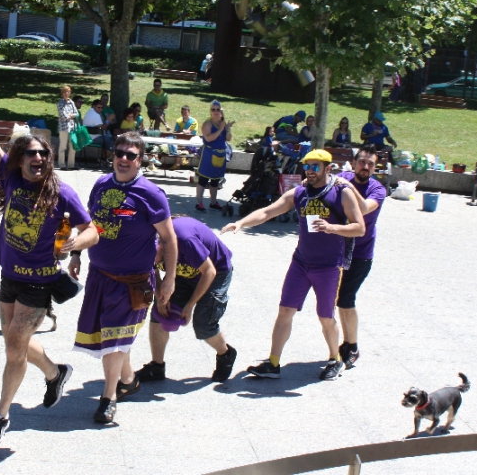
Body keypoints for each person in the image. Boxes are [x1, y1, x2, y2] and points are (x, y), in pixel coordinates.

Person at [0, 70, 98, 445]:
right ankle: (55, 373)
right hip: (10, 276)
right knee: (15, 341)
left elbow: (92, 229)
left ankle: (0, 415)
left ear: (48, 159)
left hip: (39, 282)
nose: (37, 157)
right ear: (20, 158)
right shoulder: (10, 179)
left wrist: (76, 243)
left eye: (43, 153)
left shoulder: (62, 192)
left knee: (13, 347)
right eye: (31, 153)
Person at [222, 149, 365, 381]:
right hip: (301, 263)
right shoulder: (299, 193)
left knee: (325, 317)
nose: (310, 171)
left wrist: (332, 228)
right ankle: (273, 363)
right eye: (307, 166)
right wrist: (241, 223)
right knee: (285, 311)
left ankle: (335, 360)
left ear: (328, 168)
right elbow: (268, 211)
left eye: (316, 166)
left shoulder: (342, 193)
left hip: (329, 266)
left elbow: (359, 227)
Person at [73, 132, 178, 423]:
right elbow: (90, 224)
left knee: (113, 339)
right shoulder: (101, 184)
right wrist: (76, 253)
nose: (123, 159)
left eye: (131, 155)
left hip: (133, 282)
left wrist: (169, 279)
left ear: (140, 159)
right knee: (114, 334)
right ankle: (129, 379)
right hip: (99, 276)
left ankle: (109, 397)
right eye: (119, 153)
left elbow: (169, 238)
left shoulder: (151, 194)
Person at [138, 216, 236, 383]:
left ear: (163, 248)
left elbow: (210, 272)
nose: (154, 264)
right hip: (182, 272)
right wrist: (160, 295)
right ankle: (156, 367)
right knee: (159, 314)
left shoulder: (184, 241)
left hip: (215, 272)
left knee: (203, 323)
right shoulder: (147, 243)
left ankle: (225, 354)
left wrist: (190, 305)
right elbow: (153, 271)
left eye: (157, 260)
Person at [335, 145, 386, 369]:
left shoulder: (378, 189)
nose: (365, 167)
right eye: (362, 162)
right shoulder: (342, 177)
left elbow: (364, 208)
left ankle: (353, 346)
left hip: (361, 255)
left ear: (375, 168)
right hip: (337, 250)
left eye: (370, 164)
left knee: (347, 298)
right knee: (339, 300)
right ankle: (346, 343)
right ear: (354, 163)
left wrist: (347, 186)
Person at [195, 100, 234, 212]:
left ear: (221, 111)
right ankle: (199, 203)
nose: (216, 111)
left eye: (218, 109)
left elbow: (228, 139)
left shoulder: (222, 123)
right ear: (210, 111)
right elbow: (208, 138)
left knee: (215, 180)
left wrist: (227, 129)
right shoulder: (207, 124)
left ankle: (213, 202)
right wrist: (221, 129)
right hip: (209, 153)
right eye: (213, 109)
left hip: (220, 155)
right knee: (203, 179)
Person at [57, 85, 79, 170]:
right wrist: (71, 116)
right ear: (62, 93)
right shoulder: (60, 103)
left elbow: (77, 113)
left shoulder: (72, 102)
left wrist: (71, 115)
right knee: (63, 146)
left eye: (68, 92)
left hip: (72, 128)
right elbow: (63, 115)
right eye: (64, 92)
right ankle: (62, 164)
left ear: (70, 93)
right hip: (64, 128)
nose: (66, 93)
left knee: (72, 147)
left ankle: (71, 165)